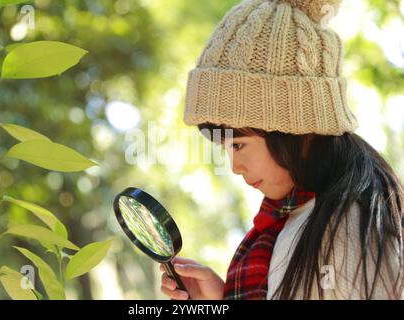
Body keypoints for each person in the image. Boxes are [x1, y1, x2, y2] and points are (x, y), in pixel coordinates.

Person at [159, 0, 404, 300]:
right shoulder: (290, 219)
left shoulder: (356, 227)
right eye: (225, 146)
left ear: (292, 129)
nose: (234, 166)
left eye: (237, 144)